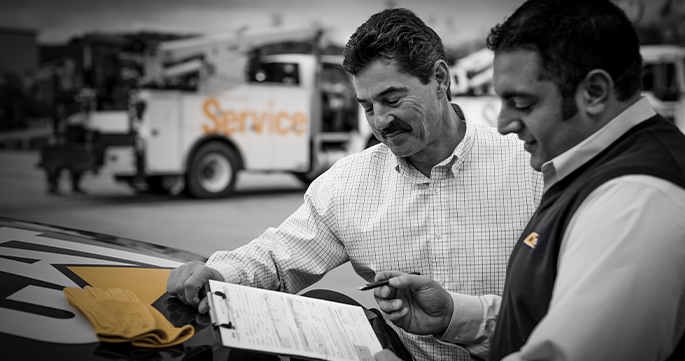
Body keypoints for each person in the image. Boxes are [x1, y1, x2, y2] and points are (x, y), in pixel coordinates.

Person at [167, 8, 542, 361]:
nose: (380, 121)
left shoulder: (532, 167)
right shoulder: (347, 185)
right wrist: (218, 274)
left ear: (440, 79)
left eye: (391, 99)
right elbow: (279, 258)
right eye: (366, 106)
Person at [371, 1, 685, 360]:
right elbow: (550, 320)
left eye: (523, 103)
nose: (504, 123)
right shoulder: (596, 170)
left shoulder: (636, 199)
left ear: (594, 92)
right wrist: (455, 315)